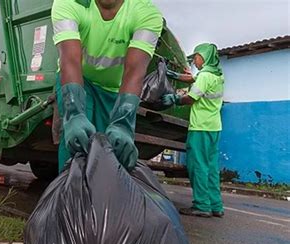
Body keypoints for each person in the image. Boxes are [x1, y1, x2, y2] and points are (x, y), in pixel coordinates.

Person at [52, 0, 163, 172]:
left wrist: (123, 122)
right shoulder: (69, 3)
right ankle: (70, 195)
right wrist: (74, 113)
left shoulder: (147, 14)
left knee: (110, 152)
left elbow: (134, 71)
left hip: (113, 90)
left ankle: (103, 198)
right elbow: (70, 60)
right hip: (78, 82)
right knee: (77, 143)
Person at [162, 43, 225, 218]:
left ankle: (202, 206)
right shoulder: (217, 75)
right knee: (211, 167)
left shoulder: (204, 75)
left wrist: (174, 99)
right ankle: (215, 205)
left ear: (204, 57)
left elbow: (191, 98)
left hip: (200, 127)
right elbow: (195, 80)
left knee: (197, 166)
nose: (194, 61)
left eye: (196, 57)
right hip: (214, 127)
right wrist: (175, 75)